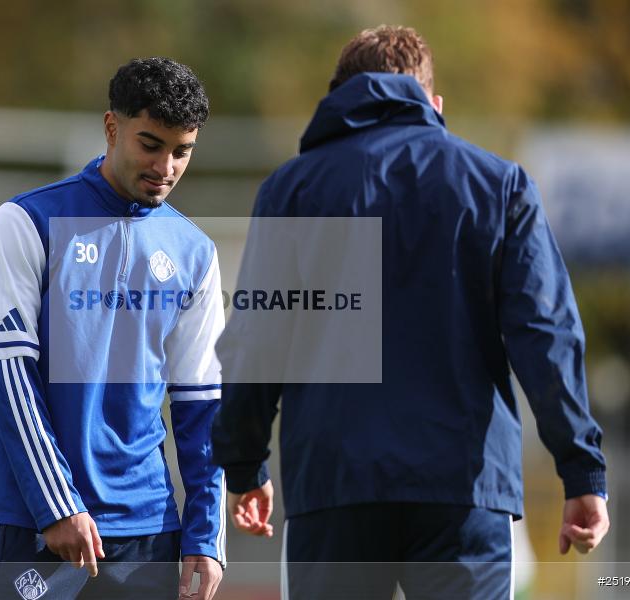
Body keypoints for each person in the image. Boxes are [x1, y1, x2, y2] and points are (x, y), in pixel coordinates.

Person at [211, 25, 609, 599]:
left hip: (336, 485)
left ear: (339, 99)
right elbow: (546, 334)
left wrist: (245, 464)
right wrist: (581, 469)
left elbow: (258, 335)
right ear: (433, 103)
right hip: (464, 488)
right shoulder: (500, 187)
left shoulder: (292, 190)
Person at [0, 57, 225, 600]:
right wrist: (57, 503)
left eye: (183, 151)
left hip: (148, 534)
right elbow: (12, 376)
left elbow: (202, 404)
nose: (167, 166)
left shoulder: (196, 252)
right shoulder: (27, 222)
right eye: (151, 144)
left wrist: (205, 533)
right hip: (35, 523)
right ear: (112, 128)